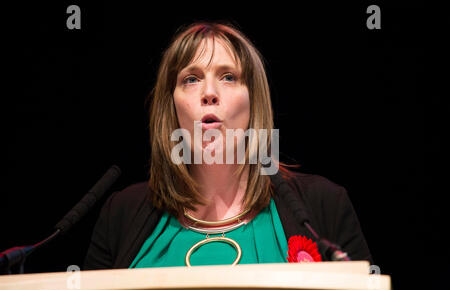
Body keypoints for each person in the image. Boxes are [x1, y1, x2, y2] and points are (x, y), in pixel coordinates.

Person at [83, 21, 373, 270]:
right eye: (191, 79)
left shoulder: (325, 205)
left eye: (229, 77)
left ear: (253, 101)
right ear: (171, 107)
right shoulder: (119, 214)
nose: (209, 93)